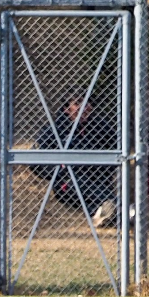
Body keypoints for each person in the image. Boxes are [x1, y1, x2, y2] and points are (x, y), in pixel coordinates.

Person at [31, 93, 119, 227]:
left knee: (99, 188)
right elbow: (35, 161)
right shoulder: (56, 129)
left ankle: (103, 213)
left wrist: (101, 168)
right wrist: (58, 171)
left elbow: (117, 150)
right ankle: (114, 205)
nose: (84, 107)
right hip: (68, 182)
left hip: (97, 179)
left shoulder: (101, 126)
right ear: (67, 109)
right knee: (73, 181)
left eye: (87, 103)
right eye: (77, 103)